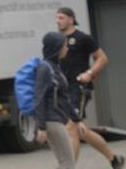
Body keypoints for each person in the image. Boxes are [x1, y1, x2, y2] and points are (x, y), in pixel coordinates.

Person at [56, 7, 124, 169]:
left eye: (62, 18)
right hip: (64, 89)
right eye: (57, 18)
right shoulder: (58, 40)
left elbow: (102, 58)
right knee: (82, 131)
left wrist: (90, 72)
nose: (58, 21)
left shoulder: (83, 38)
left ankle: (68, 167)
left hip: (78, 88)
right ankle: (114, 159)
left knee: (71, 128)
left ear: (71, 19)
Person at [33, 33, 80, 169]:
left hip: (57, 119)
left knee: (66, 162)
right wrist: (41, 127)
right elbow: (39, 97)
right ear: (56, 48)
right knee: (67, 163)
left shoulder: (55, 67)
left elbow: (63, 98)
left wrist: (77, 120)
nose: (67, 48)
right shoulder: (45, 68)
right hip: (51, 120)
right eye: (64, 46)